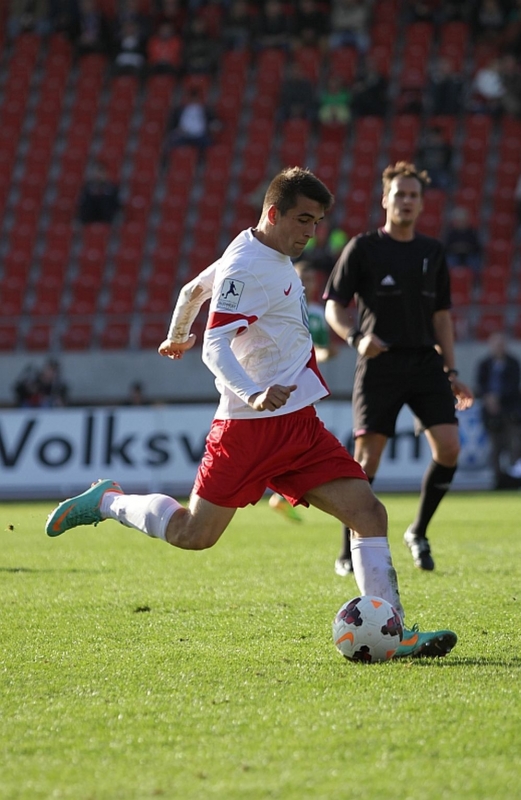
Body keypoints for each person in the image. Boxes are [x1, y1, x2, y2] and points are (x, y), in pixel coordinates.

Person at [45, 166, 457, 660]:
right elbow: (215, 346)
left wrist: (176, 334)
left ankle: (395, 633)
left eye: (317, 222)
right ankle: (108, 502)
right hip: (247, 430)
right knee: (193, 534)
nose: (311, 232)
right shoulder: (246, 266)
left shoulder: (257, 251)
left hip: (299, 426)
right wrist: (253, 392)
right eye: (303, 220)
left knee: (368, 513)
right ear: (273, 214)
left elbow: (192, 291)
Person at [323, 161, 474, 576]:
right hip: (380, 364)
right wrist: (355, 338)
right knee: (366, 461)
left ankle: (418, 531)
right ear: (385, 200)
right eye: (399, 194)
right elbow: (334, 305)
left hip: (426, 362)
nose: (406, 201)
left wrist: (452, 371)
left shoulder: (432, 252)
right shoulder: (363, 248)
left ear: (421, 204)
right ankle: (347, 549)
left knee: (449, 448)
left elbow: (442, 316)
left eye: (413, 195)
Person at [269, 258, 337, 522]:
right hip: (279, 381)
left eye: (310, 279)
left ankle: (282, 493)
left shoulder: (318, 313)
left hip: (305, 385)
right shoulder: (281, 307)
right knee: (286, 437)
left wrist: (325, 352)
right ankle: (280, 490)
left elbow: (321, 348)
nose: (306, 283)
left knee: (296, 438)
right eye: (302, 278)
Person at [475, 332, 521, 489]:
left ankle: (515, 479)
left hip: (510, 412)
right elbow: (480, 385)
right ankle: (498, 480)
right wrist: (489, 399)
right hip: (491, 414)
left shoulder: (513, 363)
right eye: (496, 344)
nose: (499, 348)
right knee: (494, 448)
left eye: (501, 344)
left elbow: (514, 385)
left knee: (514, 446)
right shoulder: (485, 364)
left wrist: (498, 398)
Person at [443, 206, 482, 274]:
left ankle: (475, 279)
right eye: (459, 221)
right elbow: (446, 247)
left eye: (462, 220)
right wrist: (456, 248)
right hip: (454, 255)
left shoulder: (472, 232)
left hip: (469, 255)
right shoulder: (450, 233)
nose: (461, 223)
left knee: (475, 263)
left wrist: (467, 248)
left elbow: (478, 247)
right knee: (449, 261)